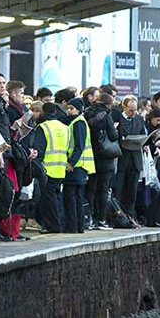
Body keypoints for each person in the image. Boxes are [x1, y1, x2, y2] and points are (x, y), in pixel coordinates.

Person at [84, 94, 118, 230]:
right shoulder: (106, 115)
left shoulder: (87, 113)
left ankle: (89, 218)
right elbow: (113, 135)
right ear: (108, 105)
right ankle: (101, 219)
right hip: (105, 157)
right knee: (103, 189)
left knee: (90, 188)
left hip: (90, 156)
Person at [34, 102, 70, 233]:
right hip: (61, 166)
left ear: (44, 112)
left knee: (48, 200)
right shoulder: (64, 127)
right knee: (56, 197)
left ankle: (52, 226)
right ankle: (58, 223)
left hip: (47, 168)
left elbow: (39, 149)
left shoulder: (43, 127)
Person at [62, 98, 94, 233]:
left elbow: (78, 146)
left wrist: (71, 162)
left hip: (77, 166)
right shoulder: (79, 122)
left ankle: (73, 226)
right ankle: (78, 226)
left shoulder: (78, 123)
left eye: (72, 108)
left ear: (79, 109)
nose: (69, 111)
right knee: (77, 197)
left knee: (71, 197)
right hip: (81, 166)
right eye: (68, 108)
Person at [114, 97, 146, 216]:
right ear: (124, 107)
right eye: (131, 110)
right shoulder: (118, 118)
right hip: (122, 157)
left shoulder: (139, 119)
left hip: (135, 157)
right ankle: (118, 216)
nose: (134, 113)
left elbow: (143, 134)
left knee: (132, 191)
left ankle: (130, 216)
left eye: (135, 110)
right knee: (119, 190)